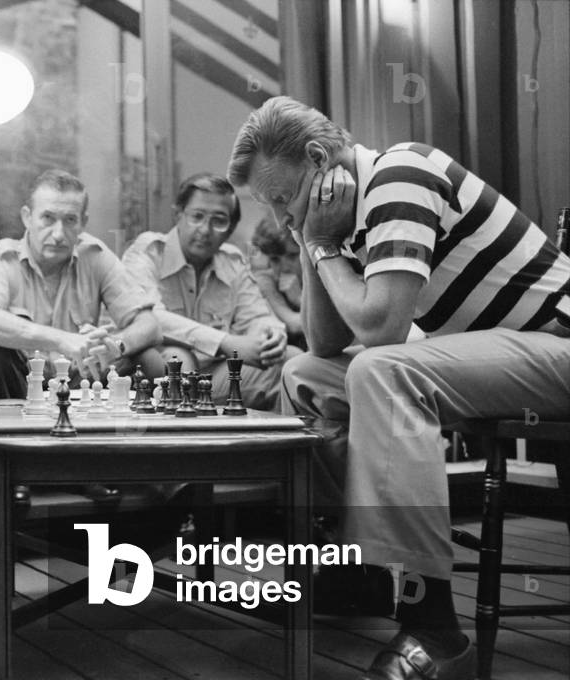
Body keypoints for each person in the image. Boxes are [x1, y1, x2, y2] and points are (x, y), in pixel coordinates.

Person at [228, 95, 570, 680]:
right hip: (501, 360)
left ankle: (434, 625)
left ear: (318, 159)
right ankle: (354, 571)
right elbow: (323, 344)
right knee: (302, 376)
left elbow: (381, 330)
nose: (281, 220)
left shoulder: (400, 174)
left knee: (384, 370)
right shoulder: (346, 214)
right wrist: (315, 240)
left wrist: (323, 243)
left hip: (557, 347)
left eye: (283, 199)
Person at [0, 169, 161, 504]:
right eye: (48, 218)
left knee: (149, 359)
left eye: (70, 220)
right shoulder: (3, 258)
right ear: (27, 217)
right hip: (23, 389)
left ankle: (150, 477)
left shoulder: (95, 256)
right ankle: (6, 475)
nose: (58, 233)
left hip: (81, 383)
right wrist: (60, 340)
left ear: (83, 222)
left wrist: (115, 346)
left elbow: (149, 325)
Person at [121, 173, 295, 410]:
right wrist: (225, 342)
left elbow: (257, 315)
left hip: (215, 372)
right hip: (162, 371)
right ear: (178, 215)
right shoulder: (147, 252)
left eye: (219, 220)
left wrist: (269, 337)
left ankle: (283, 435)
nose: (205, 229)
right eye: (197, 217)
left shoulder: (232, 262)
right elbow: (150, 319)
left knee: (292, 362)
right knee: (179, 361)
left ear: (230, 228)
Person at [249, 215, 305, 347]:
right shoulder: (265, 281)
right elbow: (294, 325)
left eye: (292, 256)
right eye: (275, 259)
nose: (284, 267)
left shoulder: (321, 275)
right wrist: (300, 299)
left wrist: (300, 298)